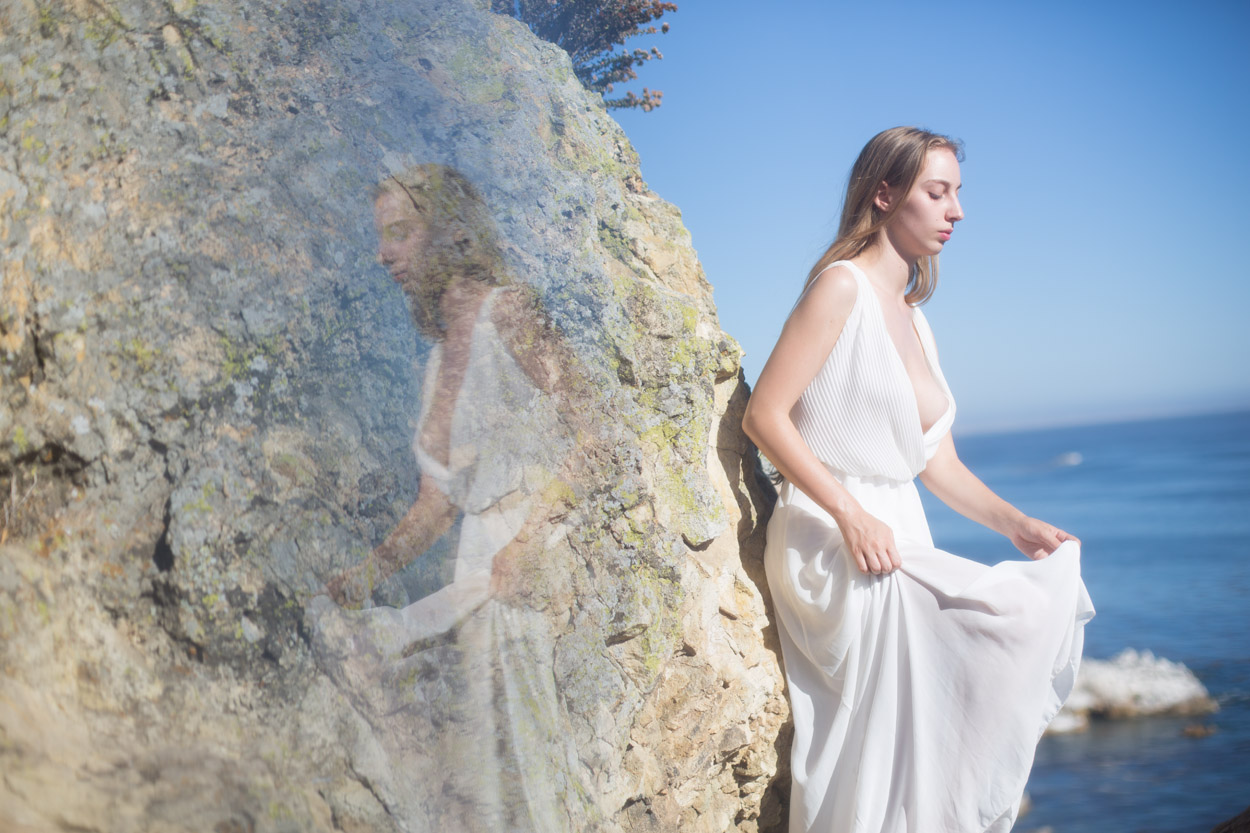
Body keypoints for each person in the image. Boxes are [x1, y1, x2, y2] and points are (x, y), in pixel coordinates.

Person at [741, 127, 1094, 832]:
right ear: (885, 193)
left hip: (897, 530)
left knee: (939, 722)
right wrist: (849, 514)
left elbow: (939, 465)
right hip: (833, 536)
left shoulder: (914, 319)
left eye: (957, 192)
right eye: (938, 192)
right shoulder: (840, 288)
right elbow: (764, 415)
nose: (956, 210)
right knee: (885, 747)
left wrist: (1018, 525)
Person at [311, 164, 592, 832]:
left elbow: (598, 433)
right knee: (483, 791)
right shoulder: (436, 360)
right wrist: (364, 576)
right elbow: (435, 506)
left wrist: (528, 543)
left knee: (532, 785)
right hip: (477, 577)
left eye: (400, 233)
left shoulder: (510, 312)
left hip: (535, 573)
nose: (383, 255)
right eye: (381, 237)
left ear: (451, 232)